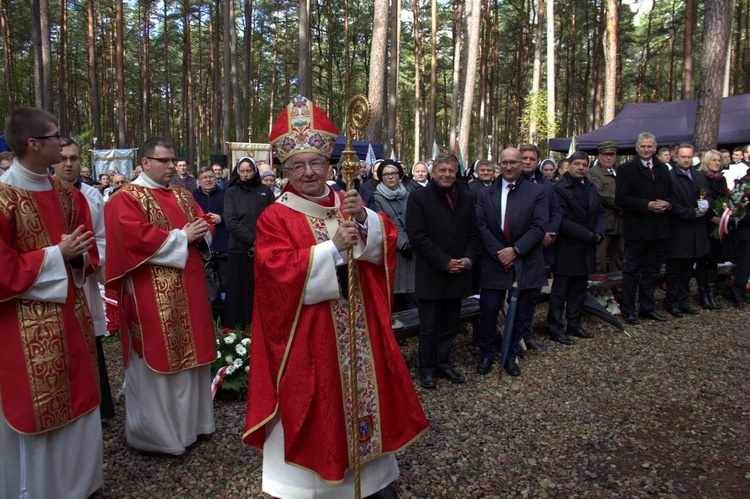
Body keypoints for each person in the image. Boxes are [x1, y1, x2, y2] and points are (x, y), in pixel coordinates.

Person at [243, 95, 428, 498]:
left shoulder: (346, 202)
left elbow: (384, 245)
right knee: (317, 406)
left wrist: (363, 222)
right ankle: (314, 486)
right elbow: (275, 277)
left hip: (360, 331)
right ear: (284, 169)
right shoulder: (275, 216)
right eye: (298, 165)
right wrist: (330, 249)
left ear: (330, 165)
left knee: (367, 398)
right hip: (310, 337)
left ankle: (372, 481)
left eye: (316, 163)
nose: (309, 172)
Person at [0, 107, 102, 498]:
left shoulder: (65, 193)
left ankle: (80, 484)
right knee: (37, 408)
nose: (63, 143)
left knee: (80, 395)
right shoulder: (4, 196)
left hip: (71, 315)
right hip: (22, 325)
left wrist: (77, 258)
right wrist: (56, 254)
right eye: (55, 136)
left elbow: (87, 247)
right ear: (33, 144)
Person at [105, 137, 216, 455]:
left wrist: (202, 231)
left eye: (173, 160)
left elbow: (203, 223)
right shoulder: (125, 198)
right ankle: (159, 436)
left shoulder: (182, 194)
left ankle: (195, 427)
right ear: (145, 163)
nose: (171, 166)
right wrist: (183, 236)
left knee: (192, 360)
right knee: (160, 361)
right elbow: (133, 238)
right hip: (151, 296)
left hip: (190, 290)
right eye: (164, 161)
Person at [53, 137, 115, 420]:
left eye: (74, 158)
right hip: (48, 280)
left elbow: (102, 239)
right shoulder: (40, 193)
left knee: (89, 340)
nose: (69, 163)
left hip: (85, 278)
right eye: (63, 157)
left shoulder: (91, 196)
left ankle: (97, 406)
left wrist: (87, 259)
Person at [406, 153, 479, 388]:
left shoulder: (467, 198)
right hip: (432, 273)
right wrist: (444, 261)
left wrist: (467, 260)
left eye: (451, 170)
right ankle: (426, 368)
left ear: (456, 172)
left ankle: (443, 363)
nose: (447, 174)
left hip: (459, 272)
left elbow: (474, 234)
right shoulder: (419, 198)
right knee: (429, 326)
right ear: (433, 172)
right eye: (442, 170)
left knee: (450, 323)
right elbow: (418, 237)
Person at [475, 147, 548, 375]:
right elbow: (480, 225)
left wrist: (515, 250)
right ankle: (486, 353)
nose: (508, 166)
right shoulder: (485, 193)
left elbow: (539, 227)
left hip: (525, 260)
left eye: (513, 162)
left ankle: (511, 354)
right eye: (504, 162)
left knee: (522, 311)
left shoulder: (536, 192)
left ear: (521, 164)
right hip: (494, 261)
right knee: (488, 309)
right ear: (500, 163)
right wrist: (501, 252)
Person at [547, 151, 605, 344]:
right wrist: (586, 235)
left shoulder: (590, 186)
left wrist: (599, 232)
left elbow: (599, 211)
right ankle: (555, 328)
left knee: (579, 289)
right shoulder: (560, 189)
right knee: (560, 291)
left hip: (587, 246)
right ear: (568, 166)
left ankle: (574, 323)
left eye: (584, 164)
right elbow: (561, 220)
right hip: (567, 246)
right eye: (577, 164)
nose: (581, 168)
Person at [615, 131, 673, 325]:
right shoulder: (626, 169)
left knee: (652, 271)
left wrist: (668, 204)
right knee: (632, 271)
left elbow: (672, 195)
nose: (647, 150)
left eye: (650, 146)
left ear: (655, 148)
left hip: (658, 228)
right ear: (637, 147)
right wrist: (646, 205)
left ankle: (647, 307)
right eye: (643, 146)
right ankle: (628, 309)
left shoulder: (663, 169)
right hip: (637, 229)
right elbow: (620, 198)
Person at [223, 157, 274, 329]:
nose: (245, 175)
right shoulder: (232, 192)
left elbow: (273, 218)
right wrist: (253, 240)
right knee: (239, 294)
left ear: (255, 171)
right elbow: (230, 221)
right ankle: (237, 331)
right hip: (239, 249)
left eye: (249, 171)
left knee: (260, 293)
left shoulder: (265, 191)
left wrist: (262, 240)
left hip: (264, 249)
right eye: (242, 171)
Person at [519, 144, 560, 352]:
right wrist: (537, 235)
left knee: (533, 295)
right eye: (524, 158)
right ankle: (514, 338)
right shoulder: (512, 183)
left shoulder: (546, 184)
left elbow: (555, 211)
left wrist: (550, 233)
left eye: (531, 159)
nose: (527, 162)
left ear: (538, 162)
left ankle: (527, 335)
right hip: (520, 249)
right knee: (517, 295)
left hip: (542, 250)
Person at [663, 144, 710, 317]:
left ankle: (683, 301)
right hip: (678, 230)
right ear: (675, 157)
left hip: (696, 231)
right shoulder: (670, 177)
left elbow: (707, 195)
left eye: (689, 157)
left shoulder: (699, 176)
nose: (686, 160)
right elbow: (671, 203)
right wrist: (691, 213)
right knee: (674, 269)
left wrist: (706, 205)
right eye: (683, 157)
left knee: (687, 269)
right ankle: (672, 302)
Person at [371, 159, 416, 315]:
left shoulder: (409, 195)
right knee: (395, 290)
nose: (390, 177)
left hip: (413, 246)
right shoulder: (376, 197)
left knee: (412, 288)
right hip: (393, 247)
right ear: (381, 177)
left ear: (400, 176)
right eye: (386, 174)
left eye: (393, 173)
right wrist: (402, 244)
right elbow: (382, 224)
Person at [696, 150, 731, 309]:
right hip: (705, 223)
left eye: (719, 160)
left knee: (714, 260)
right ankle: (703, 295)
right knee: (704, 259)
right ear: (707, 161)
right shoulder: (701, 177)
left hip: (719, 225)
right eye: (714, 160)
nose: (717, 163)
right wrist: (711, 217)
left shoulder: (721, 179)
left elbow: (724, 199)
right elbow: (700, 200)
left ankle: (711, 292)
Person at [193, 166, 230, 306]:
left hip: (223, 246)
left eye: (211, 177)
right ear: (199, 181)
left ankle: (228, 321)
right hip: (203, 249)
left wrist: (221, 218)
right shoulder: (192, 197)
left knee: (227, 285)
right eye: (205, 178)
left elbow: (235, 215)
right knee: (206, 287)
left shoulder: (226, 194)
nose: (208, 180)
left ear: (216, 178)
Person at [587, 140, 624, 273]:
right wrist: (624, 203)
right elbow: (601, 194)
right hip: (604, 224)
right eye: (605, 154)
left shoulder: (621, 171)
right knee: (599, 260)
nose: (609, 158)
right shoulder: (593, 173)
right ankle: (600, 290)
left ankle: (617, 290)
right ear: (599, 156)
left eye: (612, 155)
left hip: (622, 223)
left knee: (619, 258)